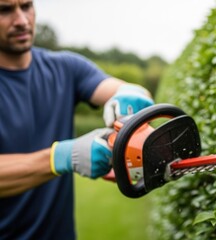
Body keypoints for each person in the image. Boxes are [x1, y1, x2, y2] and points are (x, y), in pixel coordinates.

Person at [0, 0, 154, 238]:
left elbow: (131, 92)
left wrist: (130, 95)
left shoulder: (65, 67)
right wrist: (60, 157)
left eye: (27, 6)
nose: (22, 20)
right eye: (5, 10)